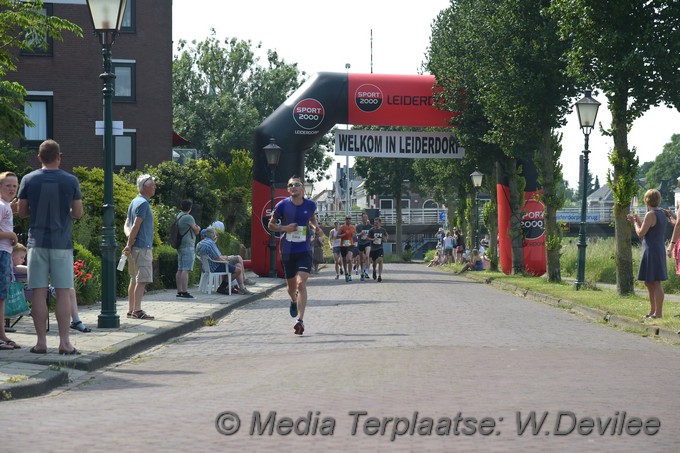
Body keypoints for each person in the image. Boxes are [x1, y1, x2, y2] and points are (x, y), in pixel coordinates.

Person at [17, 140, 83, 354]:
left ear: (39, 158)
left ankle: (41, 343)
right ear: (59, 157)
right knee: (63, 292)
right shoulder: (71, 180)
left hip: (37, 242)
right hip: (62, 244)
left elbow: (22, 212)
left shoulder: (28, 179)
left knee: (38, 291)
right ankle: (64, 343)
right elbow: (78, 213)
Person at [268, 175, 323, 335]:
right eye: (291, 185)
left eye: (297, 184)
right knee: (291, 287)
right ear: (288, 189)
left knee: (301, 284)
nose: (294, 187)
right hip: (287, 251)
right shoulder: (282, 205)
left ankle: (300, 321)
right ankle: (293, 300)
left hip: (304, 250)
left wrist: (316, 228)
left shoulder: (311, 205)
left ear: (302, 188)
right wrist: (285, 228)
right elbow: (271, 225)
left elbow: (311, 219)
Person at [12, 243, 91, 333]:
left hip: (33, 289)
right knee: (69, 291)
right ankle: (76, 321)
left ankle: (76, 321)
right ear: (13, 256)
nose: (23, 260)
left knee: (70, 290)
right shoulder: (15, 267)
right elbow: (26, 269)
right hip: (32, 290)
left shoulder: (11, 268)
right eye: (21, 257)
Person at [627, 189, 667, 319]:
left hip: (652, 250)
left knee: (655, 281)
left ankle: (658, 313)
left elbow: (640, 233)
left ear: (646, 200)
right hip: (655, 249)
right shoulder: (661, 213)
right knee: (649, 282)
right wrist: (638, 220)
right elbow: (648, 229)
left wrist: (634, 223)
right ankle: (653, 311)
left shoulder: (650, 214)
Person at [123, 174, 157, 320]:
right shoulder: (143, 203)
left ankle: (131, 310)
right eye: (153, 184)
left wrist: (129, 243)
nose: (155, 186)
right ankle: (137, 311)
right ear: (145, 187)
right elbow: (136, 225)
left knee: (134, 279)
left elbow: (126, 225)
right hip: (142, 247)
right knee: (142, 280)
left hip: (134, 247)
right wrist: (131, 242)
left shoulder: (134, 202)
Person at [196, 227, 252, 295]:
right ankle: (222, 288)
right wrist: (227, 260)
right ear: (213, 235)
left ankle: (237, 287)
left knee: (238, 265)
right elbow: (218, 258)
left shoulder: (200, 244)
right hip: (215, 266)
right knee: (238, 270)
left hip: (207, 267)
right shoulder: (211, 244)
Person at [0, 171, 20, 349]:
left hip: (4, 252)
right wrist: (11, 234)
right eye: (7, 185)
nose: (12, 189)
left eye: (15, 186)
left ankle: (2, 334)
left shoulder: (5, 205)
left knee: (2, 297)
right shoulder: (1, 205)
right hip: (1, 253)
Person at [175, 199, 201, 299]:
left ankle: (179, 291)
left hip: (180, 246)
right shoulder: (189, 217)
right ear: (190, 208)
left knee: (180, 269)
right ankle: (185, 291)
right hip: (188, 245)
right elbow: (196, 230)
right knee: (186, 269)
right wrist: (197, 227)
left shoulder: (179, 216)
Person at [367, 216, 388, 282]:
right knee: (374, 263)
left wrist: (385, 239)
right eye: (375, 222)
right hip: (373, 249)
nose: (375, 224)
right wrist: (372, 239)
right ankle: (374, 271)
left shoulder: (383, 230)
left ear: (380, 223)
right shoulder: (372, 230)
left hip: (380, 248)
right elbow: (367, 238)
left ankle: (379, 276)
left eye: (377, 222)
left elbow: (386, 237)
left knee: (381, 260)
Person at [338, 215, 356, 282]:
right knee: (345, 260)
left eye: (349, 219)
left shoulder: (352, 227)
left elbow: (354, 235)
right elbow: (337, 236)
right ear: (345, 219)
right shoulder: (342, 227)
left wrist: (354, 235)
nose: (348, 220)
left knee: (349, 259)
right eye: (347, 219)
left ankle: (350, 274)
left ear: (351, 220)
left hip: (350, 245)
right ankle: (346, 273)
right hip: (343, 245)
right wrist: (343, 235)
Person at [356, 212, 373, 281]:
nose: (365, 218)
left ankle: (366, 271)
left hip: (367, 242)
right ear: (362, 218)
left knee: (367, 256)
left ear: (367, 218)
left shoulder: (370, 227)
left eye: (366, 217)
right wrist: (360, 234)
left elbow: (373, 234)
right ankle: (362, 272)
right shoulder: (359, 226)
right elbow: (356, 234)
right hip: (360, 243)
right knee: (361, 259)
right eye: (364, 217)